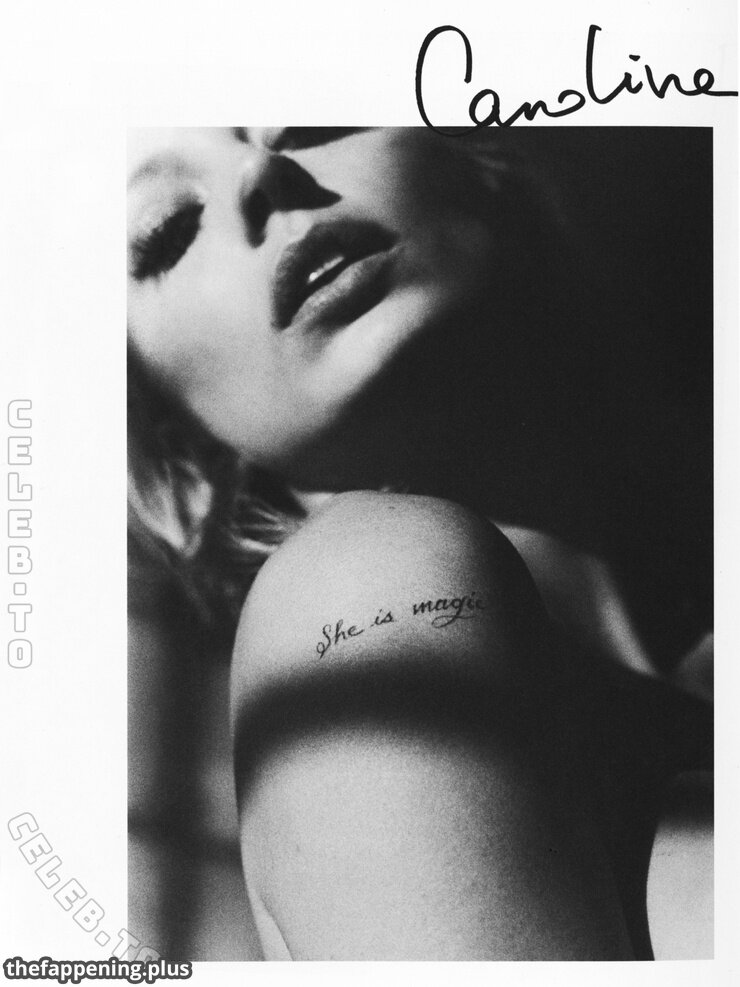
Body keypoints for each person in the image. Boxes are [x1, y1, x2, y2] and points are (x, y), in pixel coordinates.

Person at [127, 127, 713, 960]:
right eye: (165, 229)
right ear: (177, 458)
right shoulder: (361, 591)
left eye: (307, 117)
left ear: (484, 157)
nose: (263, 169)